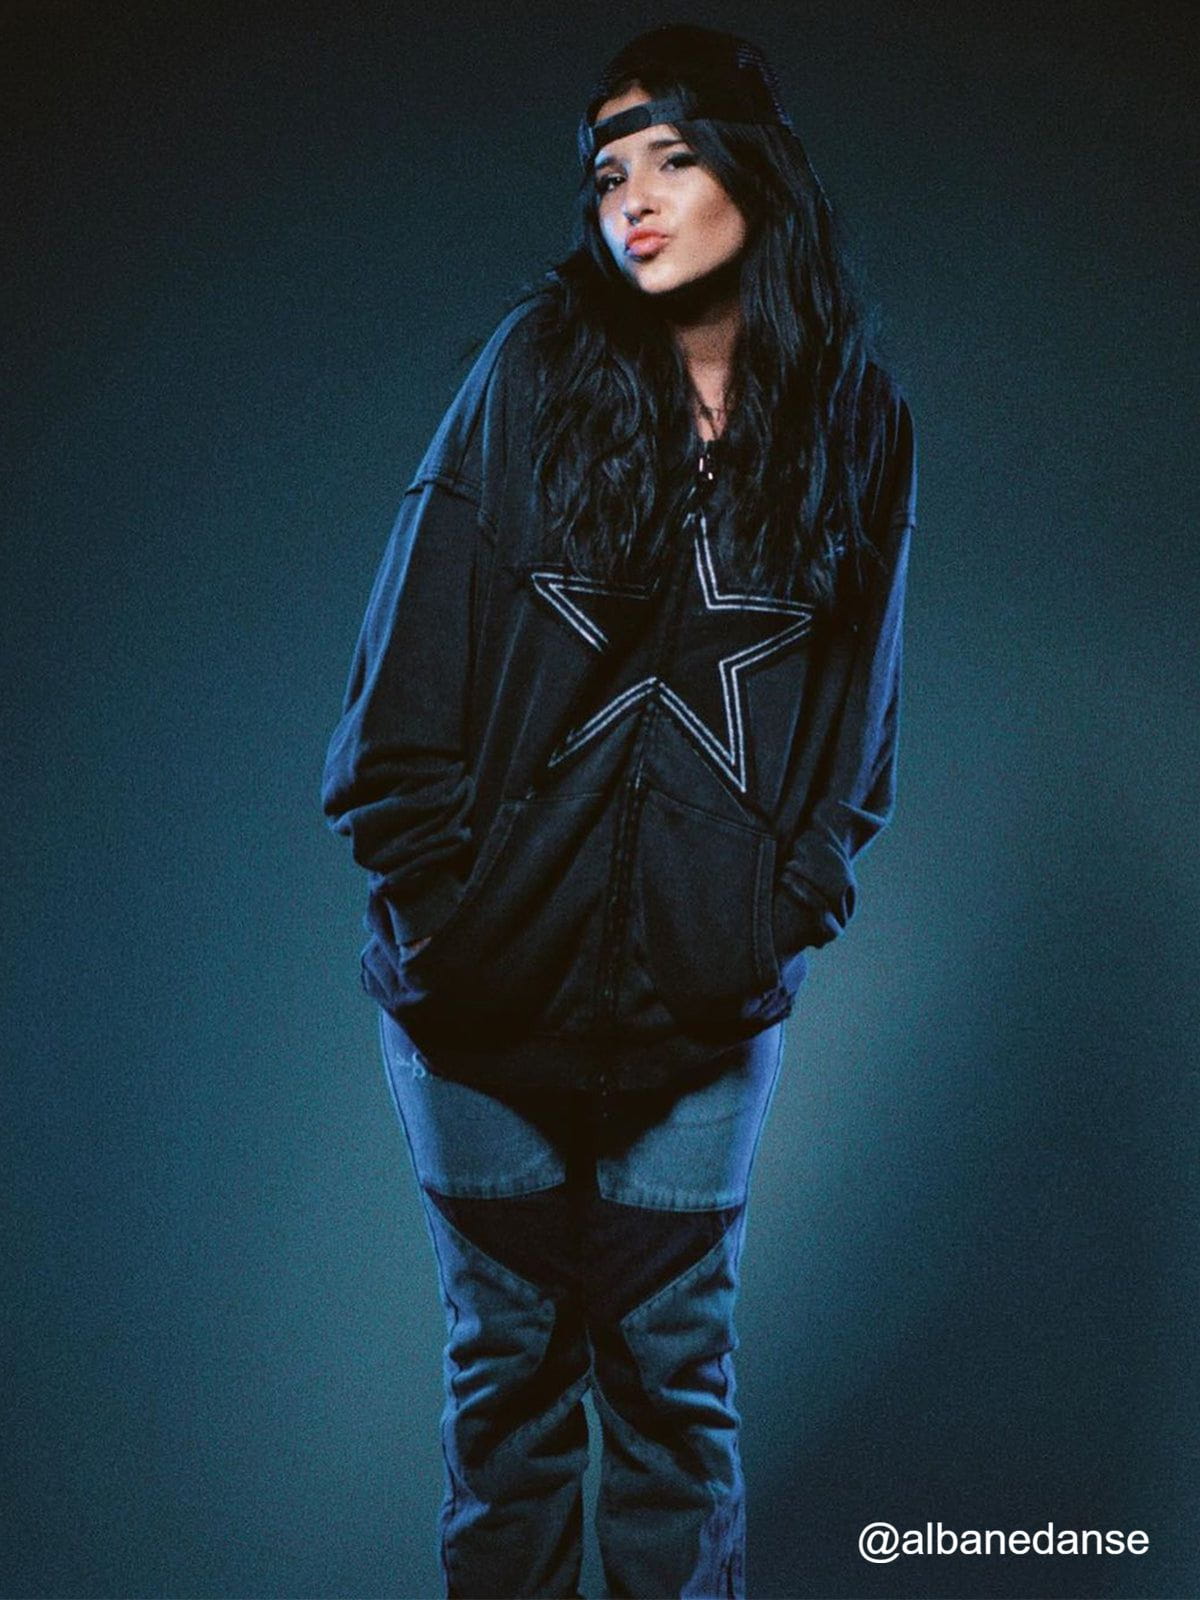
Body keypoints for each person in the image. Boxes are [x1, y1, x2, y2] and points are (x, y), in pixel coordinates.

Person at [321, 23, 916, 1599]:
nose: (632, 200)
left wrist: (766, 925)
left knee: (674, 1400)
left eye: (671, 157)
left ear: (754, 172)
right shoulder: (532, 374)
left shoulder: (857, 422)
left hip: (699, 1022)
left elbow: (856, 739)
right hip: (475, 1012)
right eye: (606, 173)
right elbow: (396, 700)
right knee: (508, 1402)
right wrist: (453, 918)